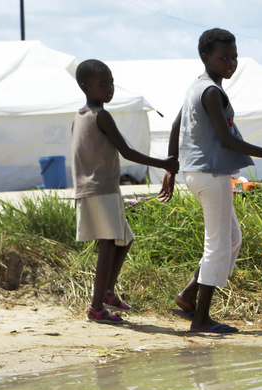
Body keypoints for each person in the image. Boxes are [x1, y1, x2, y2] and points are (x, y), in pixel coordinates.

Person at [159, 28, 262, 334]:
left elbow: (177, 124)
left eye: (233, 57)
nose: (230, 63)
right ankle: (202, 319)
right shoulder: (210, 92)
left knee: (231, 239)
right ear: (205, 57)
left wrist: (171, 167)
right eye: (223, 58)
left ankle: (188, 295)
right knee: (218, 246)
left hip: (200, 173)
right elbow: (226, 139)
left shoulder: (198, 87)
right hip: (211, 173)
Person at [72, 60, 179, 324]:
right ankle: (97, 307)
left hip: (93, 188)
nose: (109, 88)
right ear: (85, 86)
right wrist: (163, 163)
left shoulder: (80, 115)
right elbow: (126, 151)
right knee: (108, 244)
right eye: (102, 84)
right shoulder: (101, 116)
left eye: (110, 83)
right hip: (101, 188)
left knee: (124, 238)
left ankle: (108, 292)